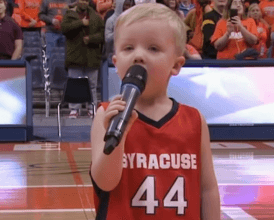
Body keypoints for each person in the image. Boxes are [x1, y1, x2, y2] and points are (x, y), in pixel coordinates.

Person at [90, 3, 220, 219]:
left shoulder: (194, 120)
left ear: (176, 65)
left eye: (153, 48)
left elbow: (207, 189)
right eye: (128, 48)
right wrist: (118, 138)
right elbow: (104, 182)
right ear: (116, 62)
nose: (138, 56)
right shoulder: (106, 115)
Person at [61, 0, 104, 118]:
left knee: (92, 85)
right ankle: (74, 110)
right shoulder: (69, 15)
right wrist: (81, 23)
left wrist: (90, 39)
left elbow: (102, 35)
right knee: (75, 83)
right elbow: (64, 29)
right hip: (75, 56)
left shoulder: (96, 16)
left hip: (92, 57)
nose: (83, 2)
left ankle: (91, 108)